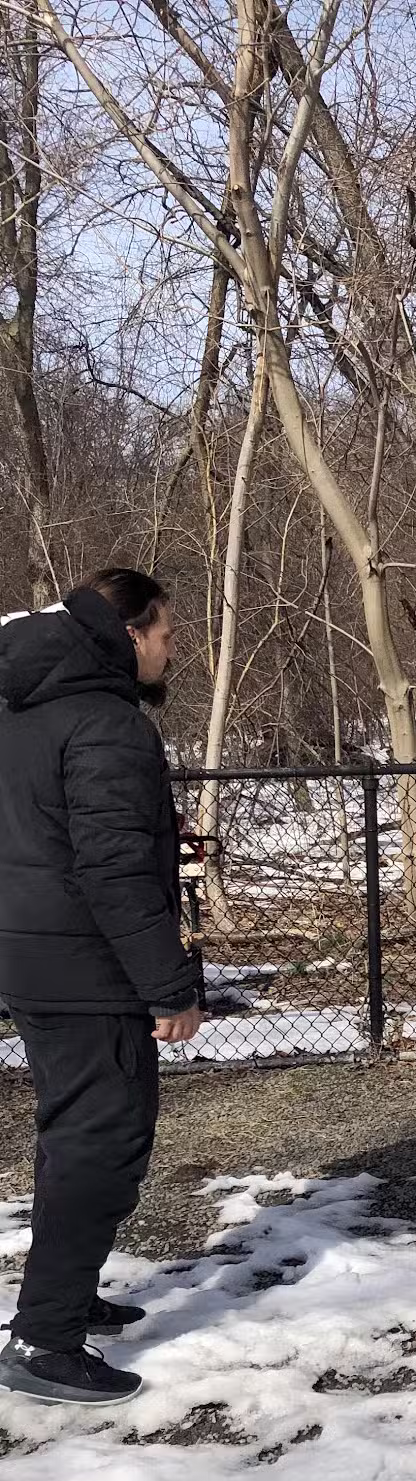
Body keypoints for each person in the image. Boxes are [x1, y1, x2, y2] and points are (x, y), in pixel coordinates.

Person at [0, 569, 202, 1406]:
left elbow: (48, 833)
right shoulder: (107, 724)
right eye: (165, 632)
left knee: (72, 1134)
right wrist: (170, 988)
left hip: (31, 958)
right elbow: (113, 872)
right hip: (90, 969)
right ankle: (45, 1341)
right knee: (104, 1144)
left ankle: (68, 1295)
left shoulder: (21, 707)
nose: (170, 649)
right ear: (128, 634)